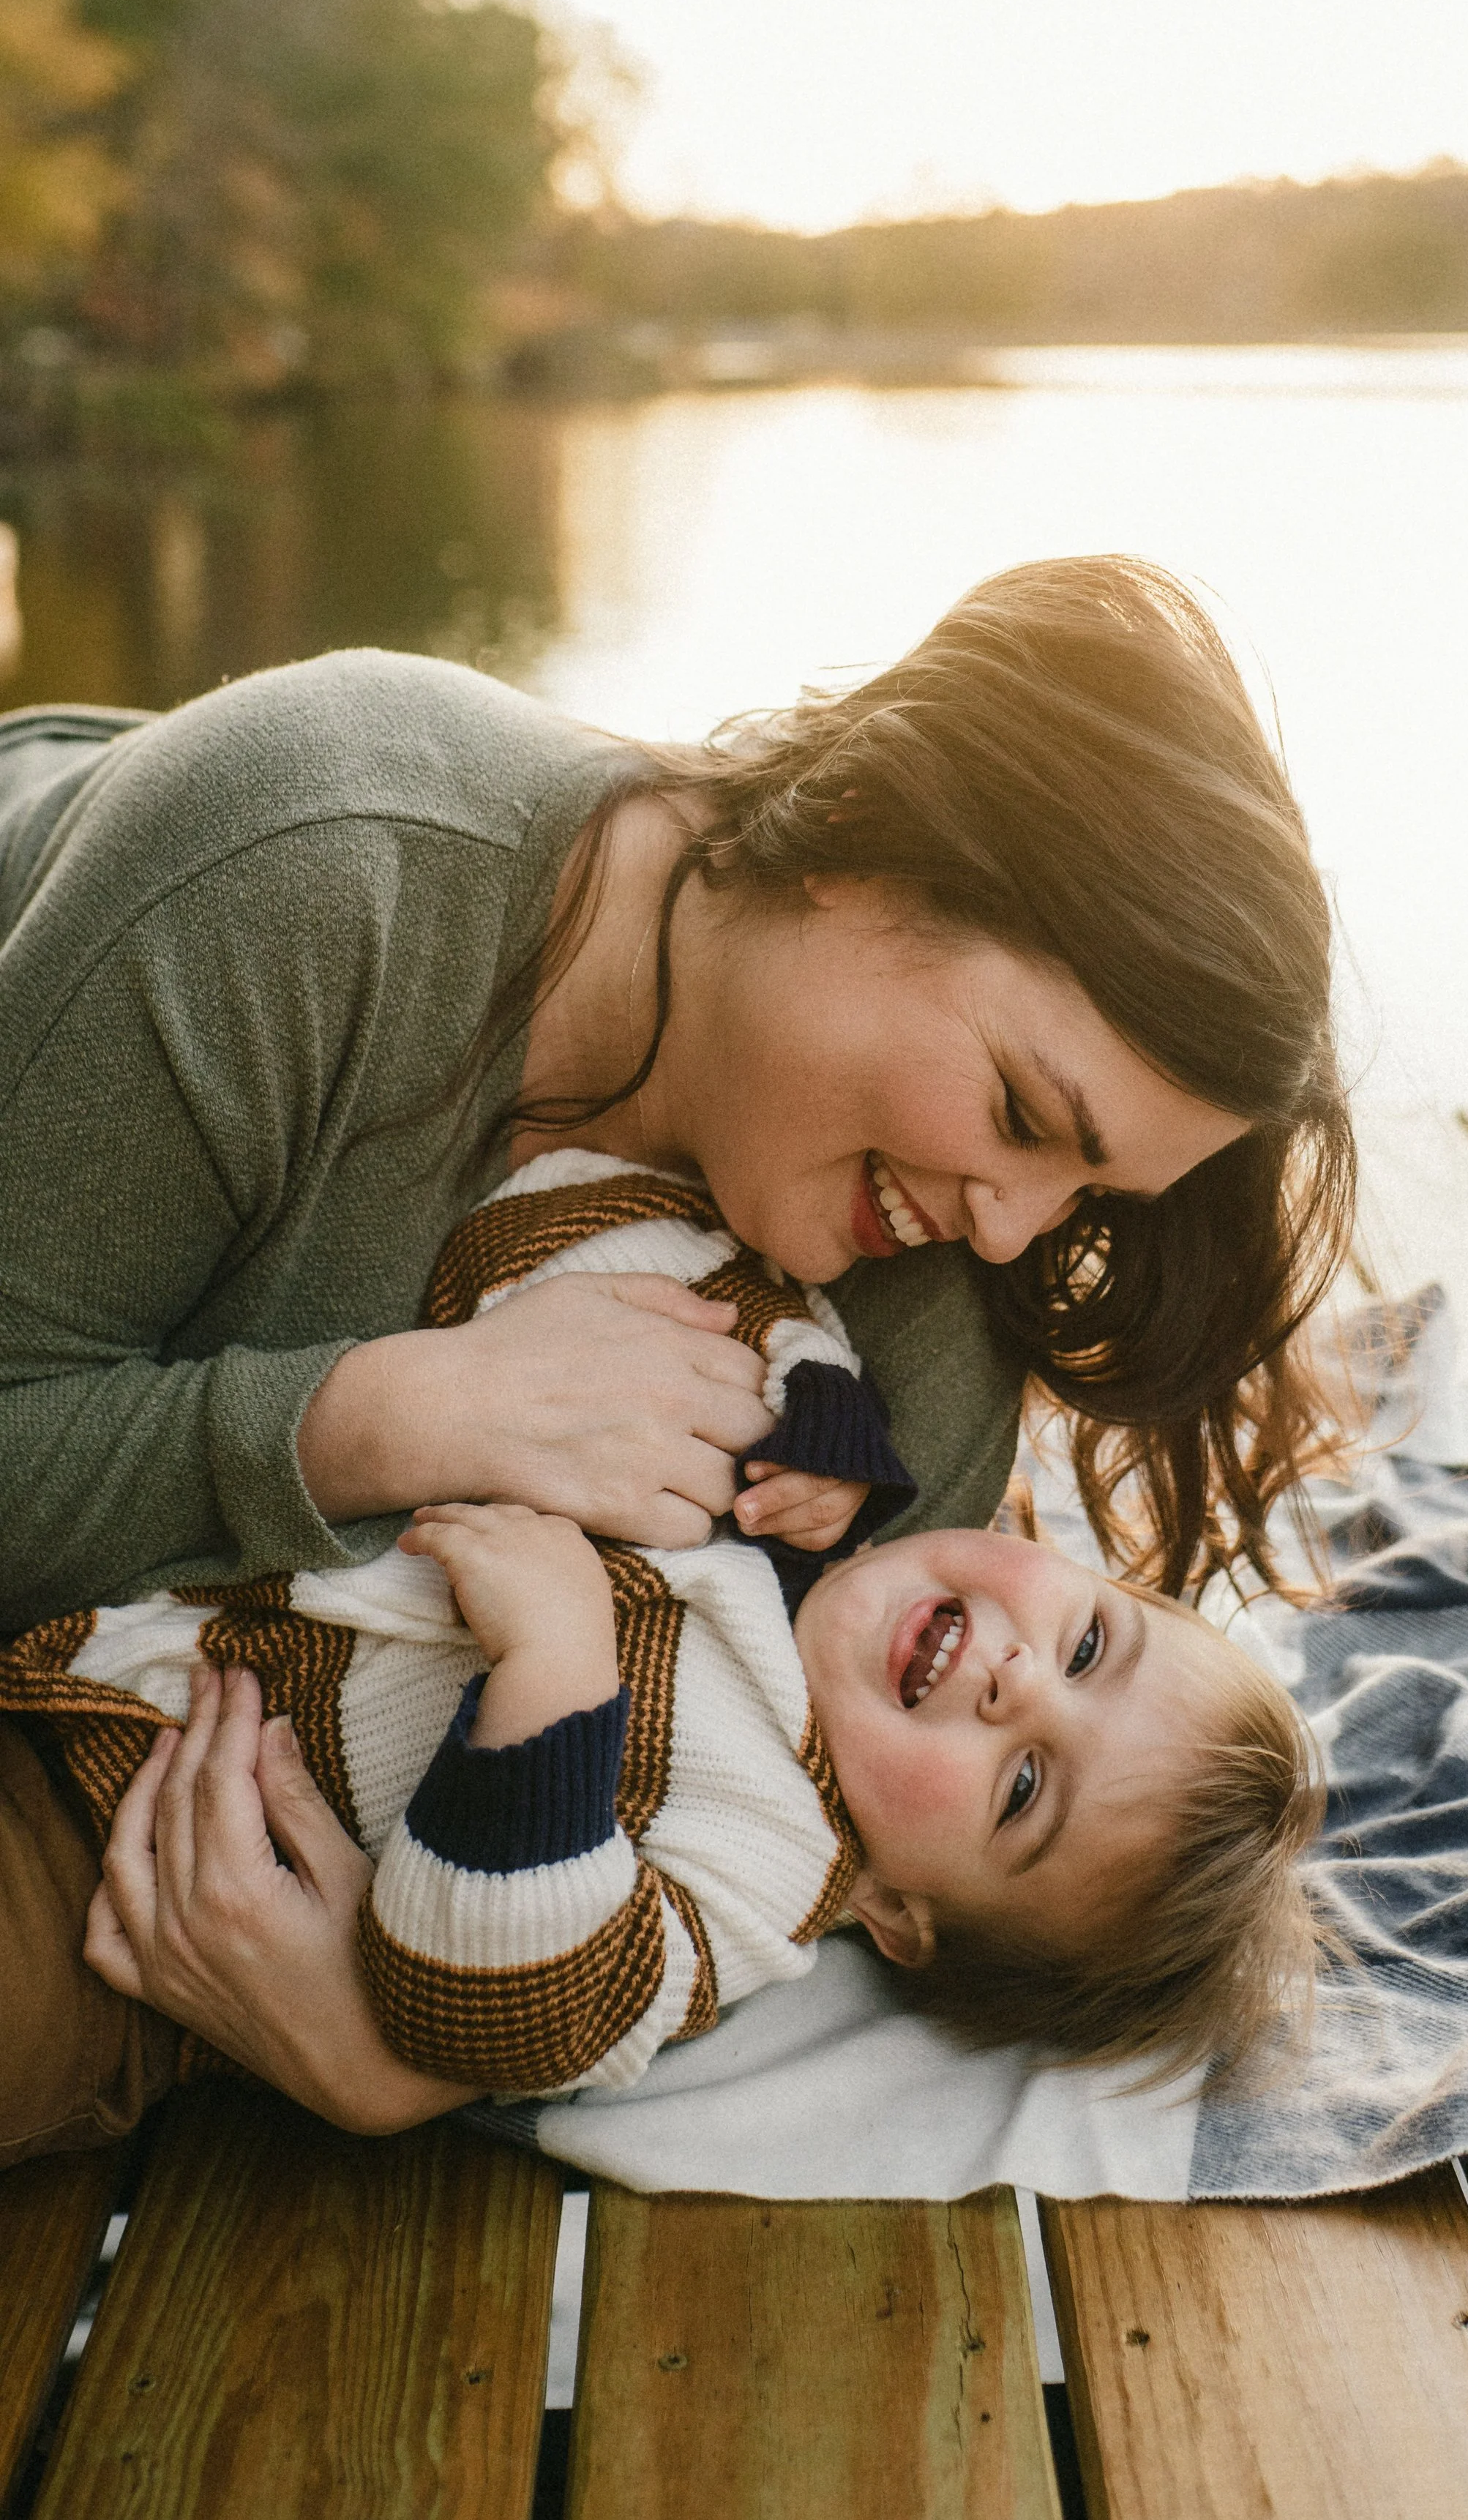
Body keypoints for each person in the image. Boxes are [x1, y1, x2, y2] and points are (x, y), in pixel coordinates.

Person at [0, 553, 1354, 2153]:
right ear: (861, 840)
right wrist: (382, 1419)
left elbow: (780, 1824)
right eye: (1018, 1118)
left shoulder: (911, 1314)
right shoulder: (310, 871)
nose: (1005, 1234)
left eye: (1083, 1193)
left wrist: (407, 2057)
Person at [1, 1148, 1321, 2164]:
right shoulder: (781, 1465)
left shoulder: (768, 1864)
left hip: (135, 1880)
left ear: (899, 1915)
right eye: (1089, 1640)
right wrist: (804, 1383)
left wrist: (556, 1676)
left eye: (1024, 1787)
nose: (1017, 1681)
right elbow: (581, 1215)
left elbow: (513, 2006)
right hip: (128, 1600)